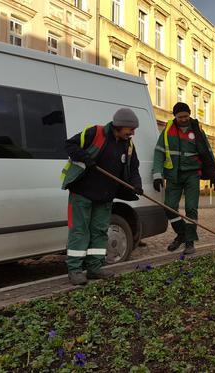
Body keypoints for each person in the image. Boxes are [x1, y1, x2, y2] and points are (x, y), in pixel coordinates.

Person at [61, 108, 143, 285]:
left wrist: (137, 185)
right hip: (82, 192)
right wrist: (85, 157)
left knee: (99, 232)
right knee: (80, 231)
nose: (133, 133)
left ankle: (94, 268)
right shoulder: (95, 132)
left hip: (105, 196)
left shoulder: (128, 145)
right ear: (120, 126)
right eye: (131, 129)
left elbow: (133, 168)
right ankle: (75, 270)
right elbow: (70, 145)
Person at [152, 102, 215, 254]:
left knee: (191, 209)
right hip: (173, 175)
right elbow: (159, 152)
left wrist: (213, 175)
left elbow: (207, 153)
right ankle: (181, 234)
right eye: (180, 116)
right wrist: (157, 175)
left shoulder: (197, 130)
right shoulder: (168, 130)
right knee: (169, 207)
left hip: (192, 175)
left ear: (189, 114)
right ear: (174, 116)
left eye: (186, 116)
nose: (183, 119)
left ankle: (189, 241)